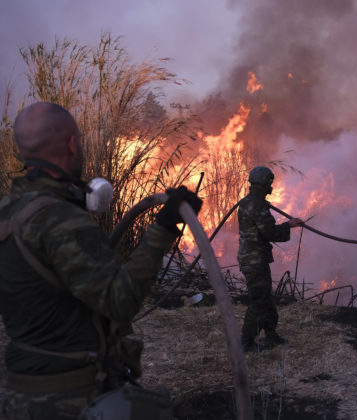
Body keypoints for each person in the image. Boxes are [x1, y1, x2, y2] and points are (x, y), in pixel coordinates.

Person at [0, 102, 201, 419]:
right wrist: (163, 229)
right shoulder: (60, 219)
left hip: (19, 393)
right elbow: (120, 299)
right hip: (70, 397)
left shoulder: (8, 211)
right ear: (72, 144)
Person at [237, 166, 303, 351]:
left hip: (252, 258)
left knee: (266, 297)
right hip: (254, 259)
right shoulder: (256, 205)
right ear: (265, 184)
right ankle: (246, 342)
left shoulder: (248, 202)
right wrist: (289, 225)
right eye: (269, 183)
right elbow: (270, 232)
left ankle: (271, 335)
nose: (271, 187)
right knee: (259, 300)